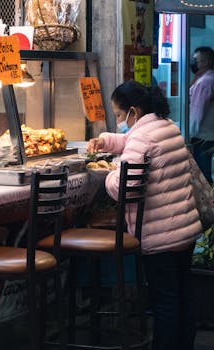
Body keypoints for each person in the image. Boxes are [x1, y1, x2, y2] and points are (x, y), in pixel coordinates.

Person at [87, 80, 202, 350]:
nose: (118, 121)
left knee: (165, 302)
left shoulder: (144, 136)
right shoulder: (166, 125)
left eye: (118, 115)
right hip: (184, 227)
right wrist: (106, 141)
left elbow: (125, 188)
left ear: (134, 112)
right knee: (182, 295)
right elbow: (132, 141)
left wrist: (109, 174)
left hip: (160, 234)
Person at [189, 46, 214, 185]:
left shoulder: (205, 82)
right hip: (207, 136)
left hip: (201, 137)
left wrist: (188, 135)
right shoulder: (206, 79)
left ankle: (209, 205)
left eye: (195, 60)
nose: (193, 63)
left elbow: (196, 112)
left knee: (203, 177)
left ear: (205, 62)